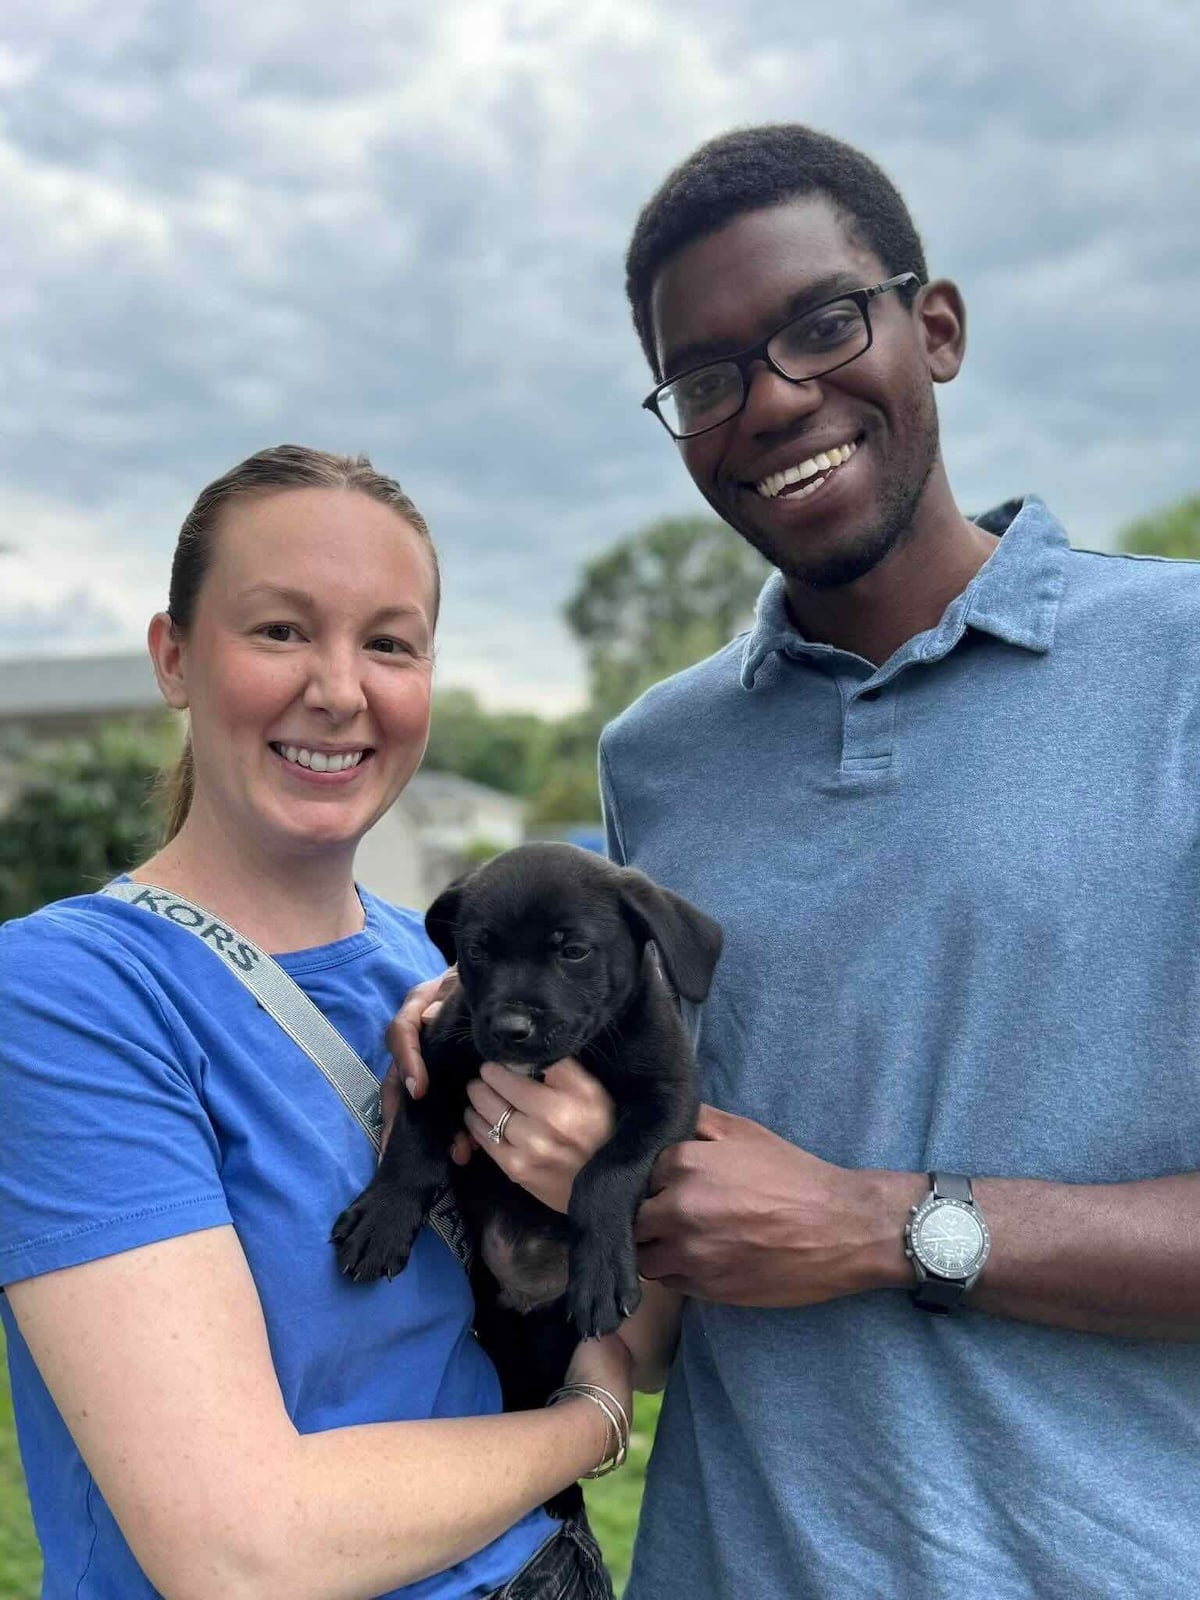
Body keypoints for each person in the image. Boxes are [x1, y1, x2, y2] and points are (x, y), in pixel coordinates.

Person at [396, 125, 1200, 1598]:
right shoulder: (660, 757)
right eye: (706, 376)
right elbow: (671, 1221)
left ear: (935, 326)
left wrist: (887, 1228)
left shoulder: (1181, 670)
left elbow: (814, 1218)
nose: (773, 400)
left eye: (823, 323)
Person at [0, 445, 673, 1600]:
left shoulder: (454, 966)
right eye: (279, 630)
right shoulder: (65, 996)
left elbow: (641, 1331)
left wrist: (598, 1180)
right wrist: (591, 1423)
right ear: (175, 656)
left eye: (390, 642)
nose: (341, 688)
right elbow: (242, 1553)